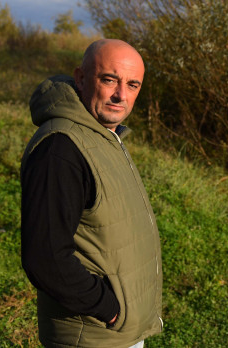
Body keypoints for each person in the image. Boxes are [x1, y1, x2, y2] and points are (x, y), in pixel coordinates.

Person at [20, 39, 162, 348]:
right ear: (81, 78)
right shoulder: (61, 149)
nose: (120, 95)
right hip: (93, 336)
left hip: (116, 334)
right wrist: (111, 310)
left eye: (132, 84)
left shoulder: (103, 136)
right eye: (109, 79)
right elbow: (45, 258)